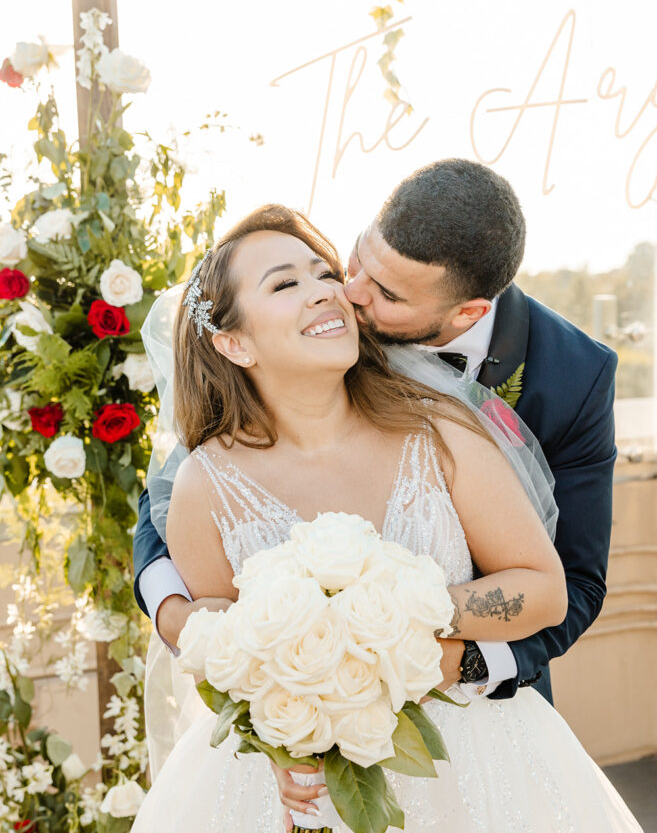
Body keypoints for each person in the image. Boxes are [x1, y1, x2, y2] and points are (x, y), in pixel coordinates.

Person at [112, 205, 657, 833]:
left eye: (325, 274)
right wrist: (286, 741)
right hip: (294, 794)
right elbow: (220, 648)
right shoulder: (205, 482)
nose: (328, 291)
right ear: (233, 341)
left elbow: (544, 587)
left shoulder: (439, 428)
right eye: (288, 282)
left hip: (476, 770)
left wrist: (387, 611)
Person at [132, 160, 617, 706]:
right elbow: (170, 499)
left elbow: (570, 584)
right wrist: (179, 616)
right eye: (354, 260)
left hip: (476, 706)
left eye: (384, 292)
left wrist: (433, 642)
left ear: (468, 313)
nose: (348, 293)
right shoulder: (329, 304)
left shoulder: (547, 389)